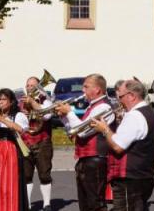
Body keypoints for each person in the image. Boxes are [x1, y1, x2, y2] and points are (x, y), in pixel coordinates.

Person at [91, 79, 154, 211]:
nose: (118, 101)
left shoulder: (134, 116)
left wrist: (104, 129)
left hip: (130, 179)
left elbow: (117, 146)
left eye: (120, 97)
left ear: (132, 96)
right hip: (141, 176)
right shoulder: (147, 111)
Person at [56, 73, 112, 211]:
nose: (83, 90)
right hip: (85, 160)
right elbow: (74, 131)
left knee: (95, 204)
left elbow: (82, 131)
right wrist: (64, 118)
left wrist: (69, 112)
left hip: (96, 160)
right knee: (85, 204)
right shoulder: (91, 107)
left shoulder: (104, 107)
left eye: (86, 87)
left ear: (97, 89)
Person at [20, 75, 55, 210]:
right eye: (27, 86)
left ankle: (46, 204)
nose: (29, 88)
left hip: (42, 141)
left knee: (44, 174)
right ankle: (27, 204)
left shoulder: (46, 100)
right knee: (26, 174)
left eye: (32, 85)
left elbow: (47, 115)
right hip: (25, 141)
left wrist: (33, 103)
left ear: (39, 87)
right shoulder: (20, 102)